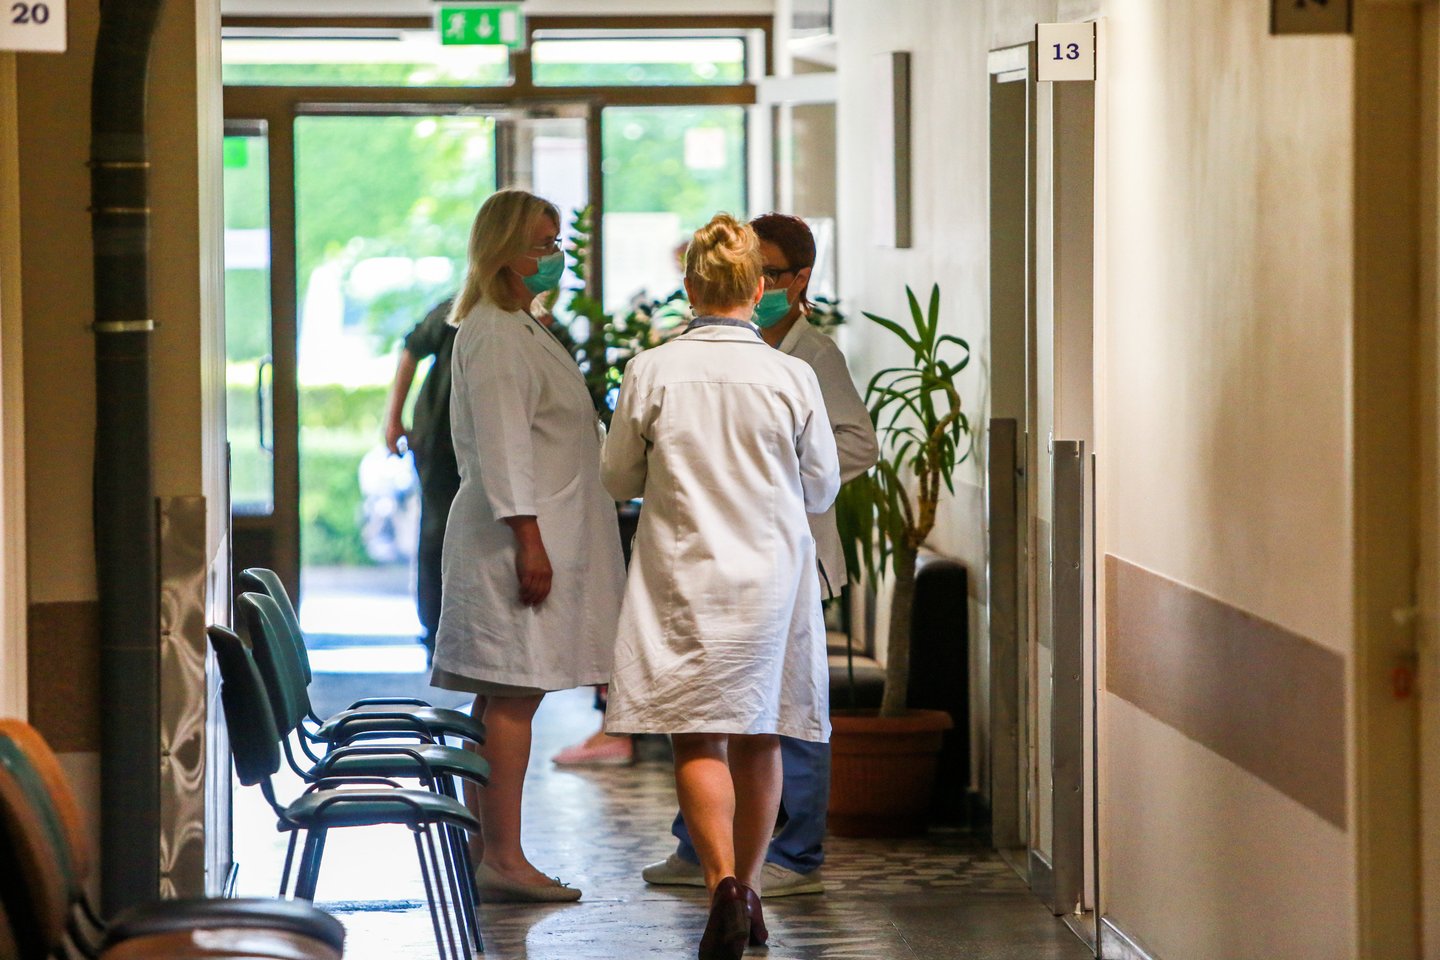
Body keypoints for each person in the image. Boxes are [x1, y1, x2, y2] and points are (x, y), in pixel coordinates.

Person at [601, 214, 841, 960]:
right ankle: (754, 888)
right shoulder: (791, 375)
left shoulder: (651, 370)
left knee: (698, 733)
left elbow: (617, 476)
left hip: (685, 576)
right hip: (771, 577)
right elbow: (822, 486)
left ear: (690, 285)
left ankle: (721, 888)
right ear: (758, 288)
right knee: (762, 732)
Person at [641, 213, 879, 898]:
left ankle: (794, 854)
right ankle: (701, 849)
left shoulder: (812, 357)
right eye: (753, 271)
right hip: (719, 553)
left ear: (800, 279)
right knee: (709, 700)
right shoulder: (697, 357)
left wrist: (769, 487)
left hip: (785, 551)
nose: (760, 284)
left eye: (771, 272)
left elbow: (855, 446)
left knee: (785, 710)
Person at [433, 188, 625, 903]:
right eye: (543, 245)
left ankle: (489, 848)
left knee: (506, 695)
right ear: (503, 252)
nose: (555, 256)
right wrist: (527, 537)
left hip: (535, 533)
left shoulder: (521, 326)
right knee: (514, 694)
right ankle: (506, 858)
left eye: (556, 244)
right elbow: (503, 446)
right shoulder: (493, 333)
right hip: (513, 542)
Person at [383, 296, 459, 664]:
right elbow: (412, 349)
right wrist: (393, 419)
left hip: (475, 442)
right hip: (440, 442)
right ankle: (435, 634)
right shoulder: (458, 307)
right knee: (437, 533)